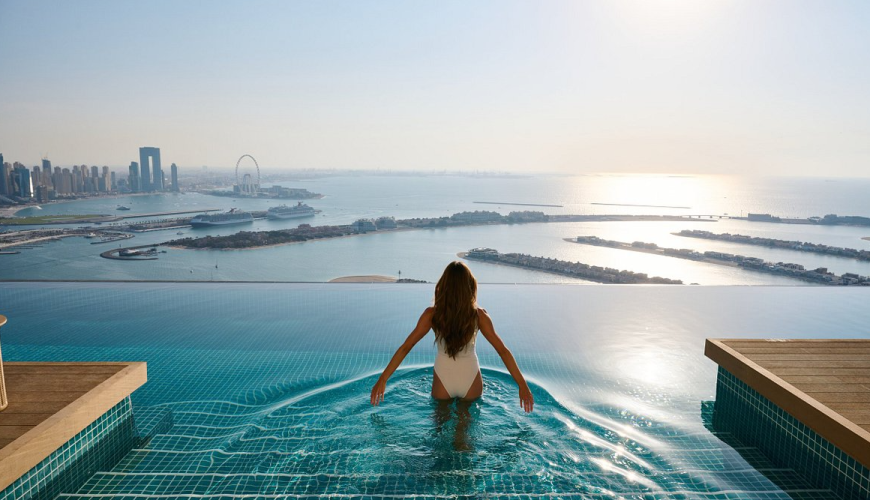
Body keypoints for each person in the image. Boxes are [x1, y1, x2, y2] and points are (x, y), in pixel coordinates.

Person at [370, 261, 534, 412]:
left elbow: (406, 347)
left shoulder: (432, 314)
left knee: (439, 436)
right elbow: (502, 351)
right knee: (463, 440)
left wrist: (383, 379)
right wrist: (522, 385)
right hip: (470, 377)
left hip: (443, 376)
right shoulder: (479, 316)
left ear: (444, 285)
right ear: (470, 286)